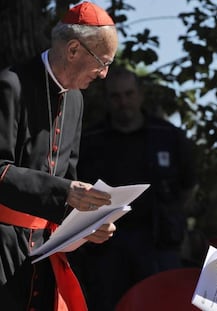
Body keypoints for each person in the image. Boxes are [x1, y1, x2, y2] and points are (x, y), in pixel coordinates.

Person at [0, 2, 119, 310]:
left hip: (42, 252)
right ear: (73, 50)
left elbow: (69, 178)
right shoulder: (10, 86)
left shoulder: (76, 100)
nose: (105, 74)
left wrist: (87, 224)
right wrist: (65, 192)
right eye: (102, 62)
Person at [74, 66, 198, 311]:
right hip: (106, 247)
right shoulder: (90, 141)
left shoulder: (168, 136)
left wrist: (173, 218)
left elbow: (188, 186)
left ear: (140, 95)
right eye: (116, 96)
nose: (124, 102)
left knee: (164, 305)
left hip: (158, 243)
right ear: (107, 100)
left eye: (129, 94)